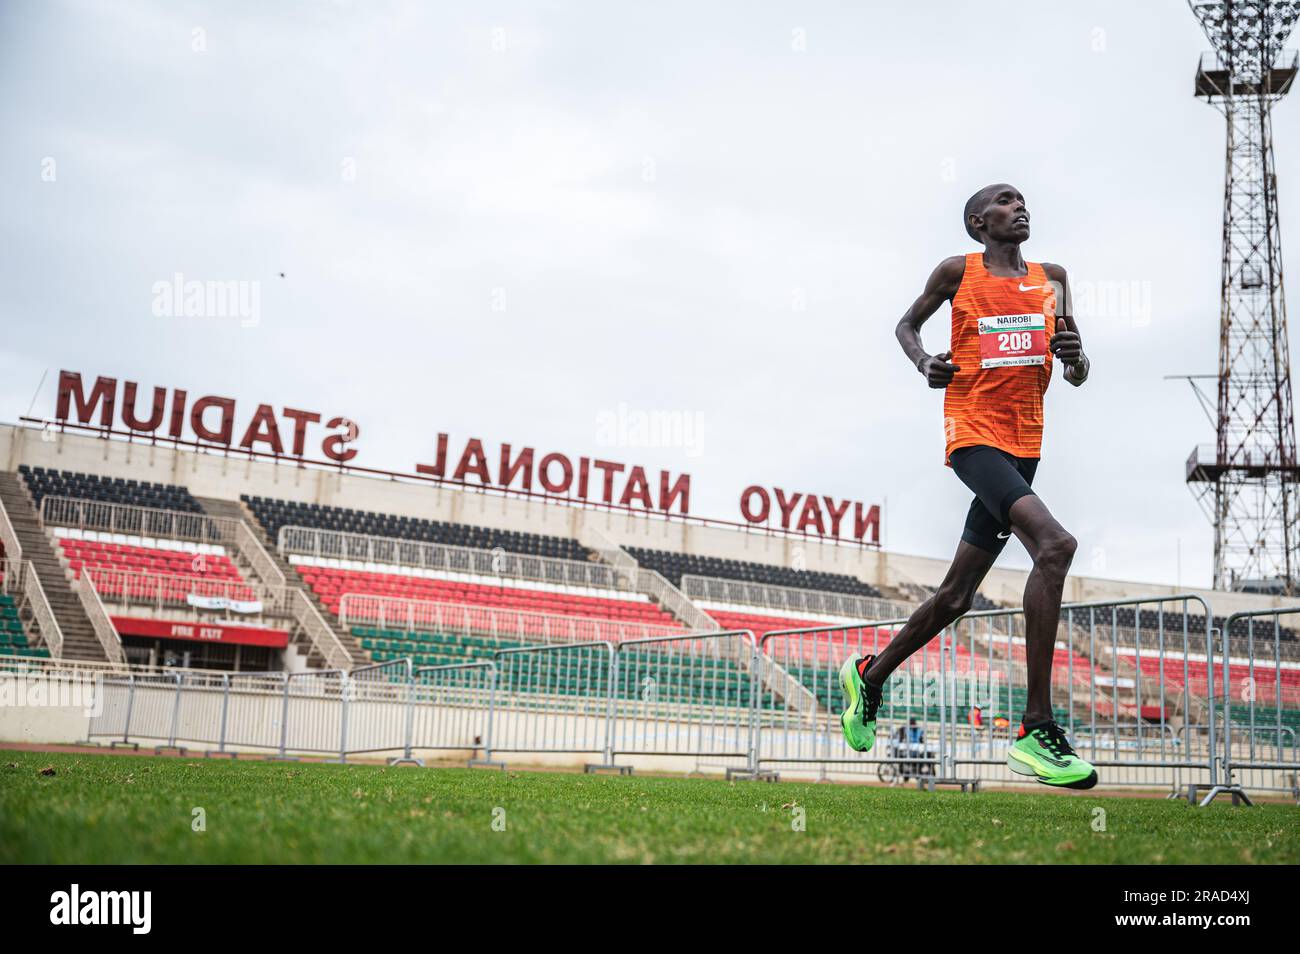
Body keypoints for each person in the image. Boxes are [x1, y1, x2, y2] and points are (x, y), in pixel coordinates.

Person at [838, 184, 1097, 789]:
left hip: (1026, 443)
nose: (1021, 206)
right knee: (1055, 546)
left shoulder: (1052, 278)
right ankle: (1036, 729)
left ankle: (869, 677)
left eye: (1025, 199)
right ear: (979, 222)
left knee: (956, 597)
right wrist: (924, 361)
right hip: (973, 436)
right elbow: (905, 325)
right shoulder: (958, 271)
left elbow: (1077, 370)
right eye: (1007, 201)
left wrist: (1077, 357)